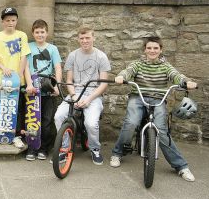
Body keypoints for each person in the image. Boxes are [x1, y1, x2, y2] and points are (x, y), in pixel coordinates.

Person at [110, 37, 198, 182]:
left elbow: (175, 75)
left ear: (160, 50)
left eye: (155, 48)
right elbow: (128, 71)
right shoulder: (138, 63)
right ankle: (117, 153)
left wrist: (186, 82)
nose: (152, 51)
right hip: (138, 97)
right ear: (145, 49)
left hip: (158, 99)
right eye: (149, 48)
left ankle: (181, 166)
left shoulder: (165, 66)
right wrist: (121, 77)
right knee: (131, 122)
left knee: (162, 130)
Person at [53, 27, 111, 165]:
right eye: (82, 38)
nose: (85, 41)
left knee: (90, 123)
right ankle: (65, 147)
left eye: (87, 38)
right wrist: (73, 96)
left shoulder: (101, 56)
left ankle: (95, 149)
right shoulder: (73, 55)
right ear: (78, 39)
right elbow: (69, 80)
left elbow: (103, 84)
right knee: (59, 116)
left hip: (93, 94)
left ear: (93, 38)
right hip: (76, 92)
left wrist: (89, 99)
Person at [0, 7, 31, 148]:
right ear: (2, 22)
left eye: (13, 20)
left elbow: (24, 56)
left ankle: (16, 136)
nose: (10, 23)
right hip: (0, 78)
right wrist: (4, 68)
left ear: (17, 21)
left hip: (16, 79)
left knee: (17, 108)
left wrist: (20, 75)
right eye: (7, 20)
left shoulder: (22, 36)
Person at [24, 19, 62, 161]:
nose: (40, 35)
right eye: (37, 32)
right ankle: (32, 147)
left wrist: (57, 85)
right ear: (33, 33)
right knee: (32, 119)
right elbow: (26, 67)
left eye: (42, 32)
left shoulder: (53, 49)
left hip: (47, 87)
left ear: (47, 33)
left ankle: (44, 148)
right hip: (33, 88)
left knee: (46, 121)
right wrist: (28, 84)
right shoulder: (29, 47)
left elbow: (57, 67)